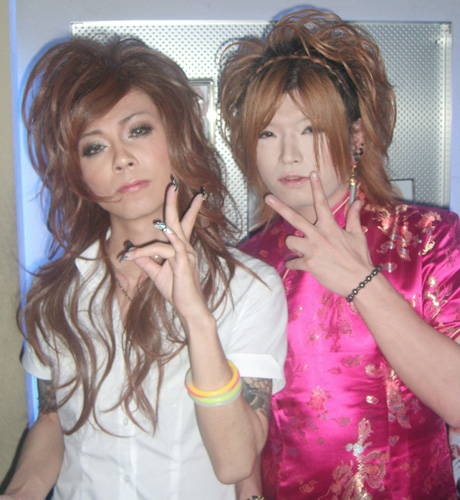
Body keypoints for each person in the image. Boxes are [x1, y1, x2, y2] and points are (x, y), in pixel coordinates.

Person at [2, 36, 287, 500]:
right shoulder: (56, 293)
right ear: (75, 172)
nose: (122, 159)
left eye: (137, 130)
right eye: (94, 147)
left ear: (176, 136)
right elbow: (55, 419)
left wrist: (196, 317)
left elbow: (236, 462)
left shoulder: (249, 287)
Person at [220, 8, 460, 499]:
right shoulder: (245, 264)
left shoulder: (428, 239)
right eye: (267, 133)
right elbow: (241, 422)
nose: (289, 154)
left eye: (310, 129)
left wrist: (361, 282)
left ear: (356, 137)